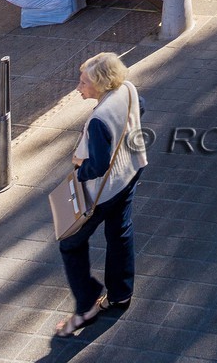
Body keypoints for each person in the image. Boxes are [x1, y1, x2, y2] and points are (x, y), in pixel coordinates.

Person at [54, 53, 146, 337]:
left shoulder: (98, 119)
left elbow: (98, 165)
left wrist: (78, 172)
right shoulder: (127, 89)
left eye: (84, 82)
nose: (79, 87)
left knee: (70, 244)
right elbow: (141, 108)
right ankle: (120, 294)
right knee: (120, 231)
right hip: (132, 169)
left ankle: (87, 306)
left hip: (105, 190)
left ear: (102, 84)